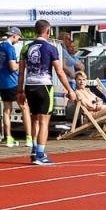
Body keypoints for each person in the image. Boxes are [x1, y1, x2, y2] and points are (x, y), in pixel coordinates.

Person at [18, 19, 73, 165]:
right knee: (44, 121)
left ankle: (35, 151)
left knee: (35, 118)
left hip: (29, 86)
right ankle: (40, 155)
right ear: (47, 31)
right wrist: (69, 89)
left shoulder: (25, 48)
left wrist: (19, 91)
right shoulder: (51, 48)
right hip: (44, 86)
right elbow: (60, 71)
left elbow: (21, 72)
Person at [0, 27, 24, 147]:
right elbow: (13, 67)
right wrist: (21, 63)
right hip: (13, 82)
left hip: (2, 82)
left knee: (7, 110)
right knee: (24, 107)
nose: (18, 40)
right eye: (18, 37)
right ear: (14, 35)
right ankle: (30, 137)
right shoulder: (10, 48)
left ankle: (8, 137)